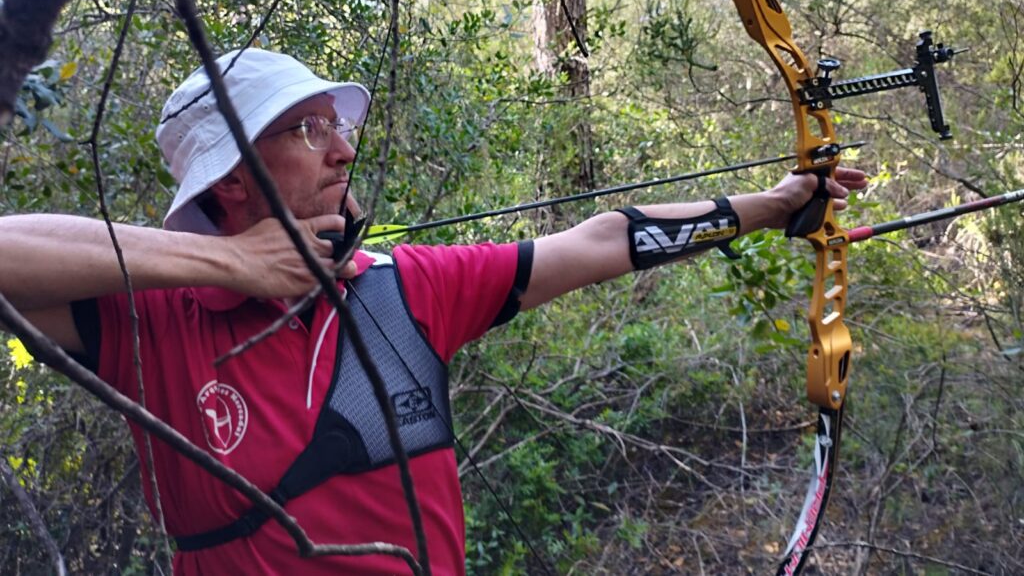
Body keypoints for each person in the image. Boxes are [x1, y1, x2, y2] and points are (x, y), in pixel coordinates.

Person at [0, 48, 867, 575]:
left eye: (333, 124)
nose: (343, 146)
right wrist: (232, 263)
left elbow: (598, 243)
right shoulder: (154, 325)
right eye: (305, 130)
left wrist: (774, 204)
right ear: (230, 179)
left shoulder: (401, 286)